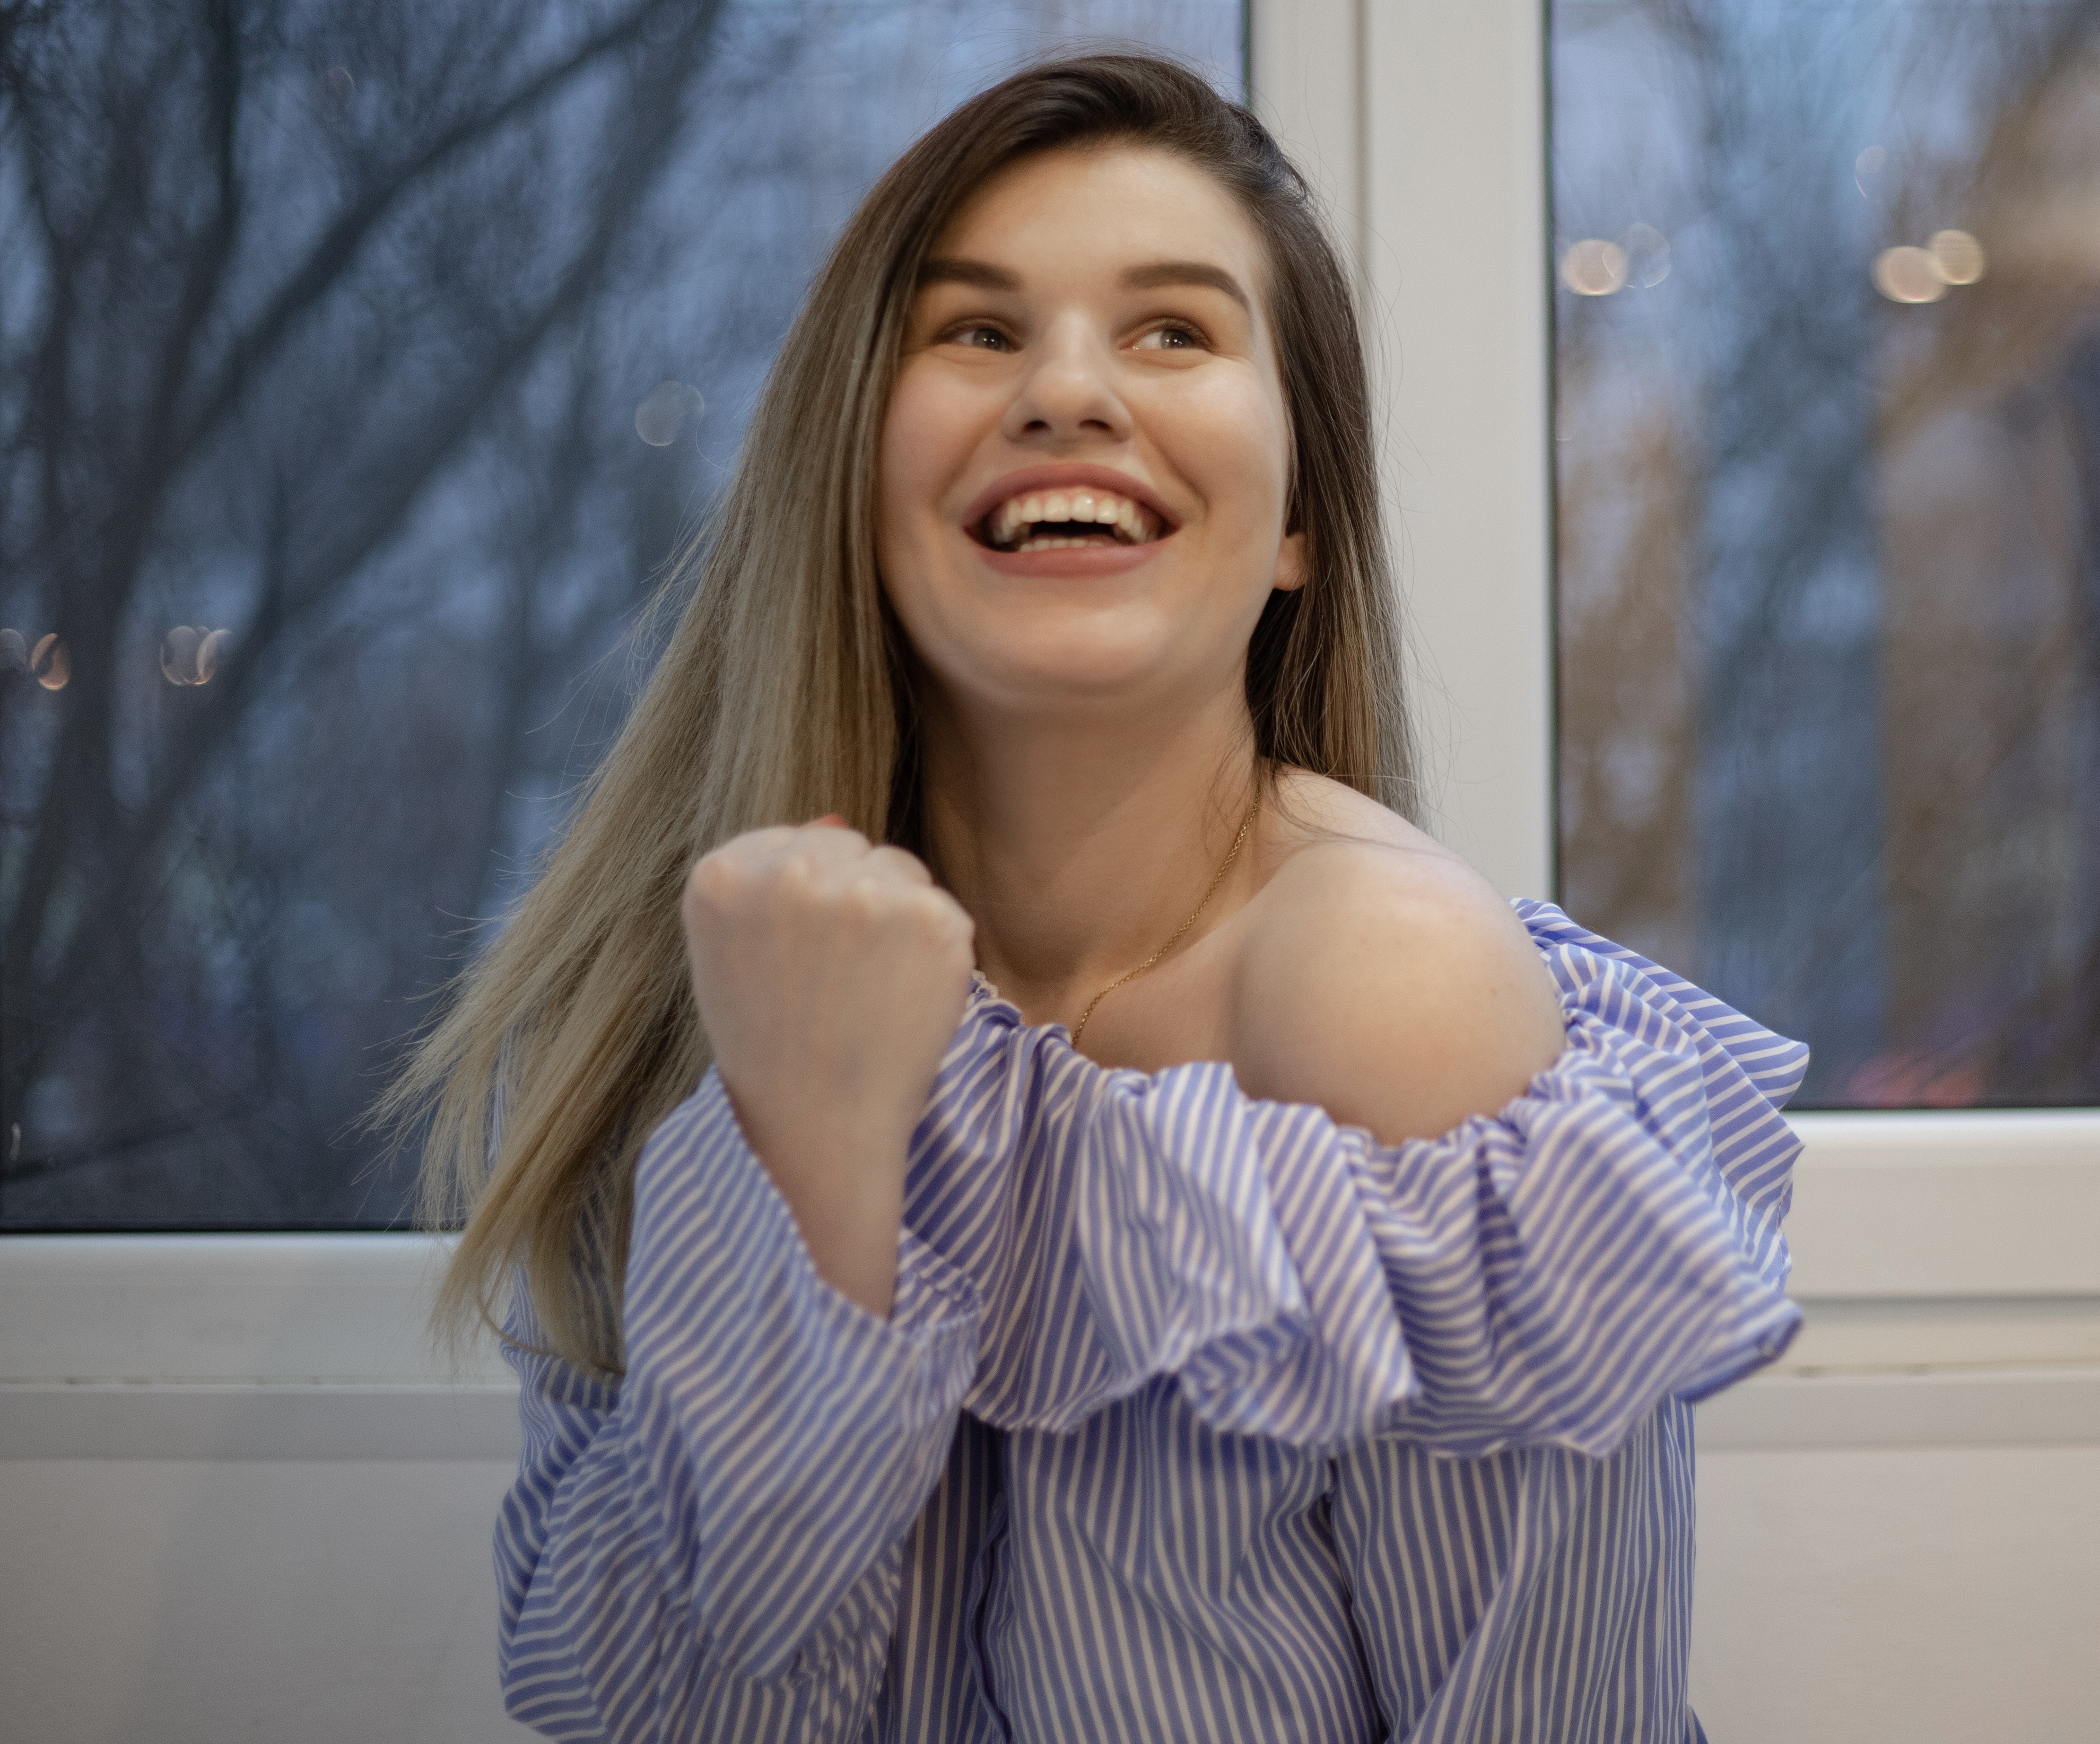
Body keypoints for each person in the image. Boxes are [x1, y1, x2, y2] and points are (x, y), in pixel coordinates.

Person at [392, 52, 1804, 1744]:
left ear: (1299, 522)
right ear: (852, 467)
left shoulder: (1391, 993)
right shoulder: (721, 976)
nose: (1067, 392)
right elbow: (655, 1712)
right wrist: (811, 1173)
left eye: (1175, 332)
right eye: (975, 330)